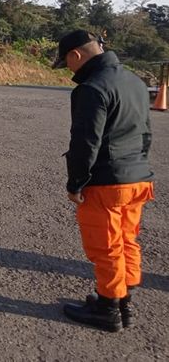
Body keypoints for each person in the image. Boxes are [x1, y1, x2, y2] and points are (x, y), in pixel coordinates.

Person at [54, 30, 154, 332]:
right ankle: (124, 299)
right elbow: (146, 132)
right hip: (137, 177)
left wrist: (75, 183)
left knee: (106, 246)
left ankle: (108, 308)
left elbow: (85, 143)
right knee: (126, 240)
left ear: (76, 56)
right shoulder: (135, 81)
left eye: (67, 63)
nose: (70, 70)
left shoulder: (92, 88)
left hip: (107, 182)